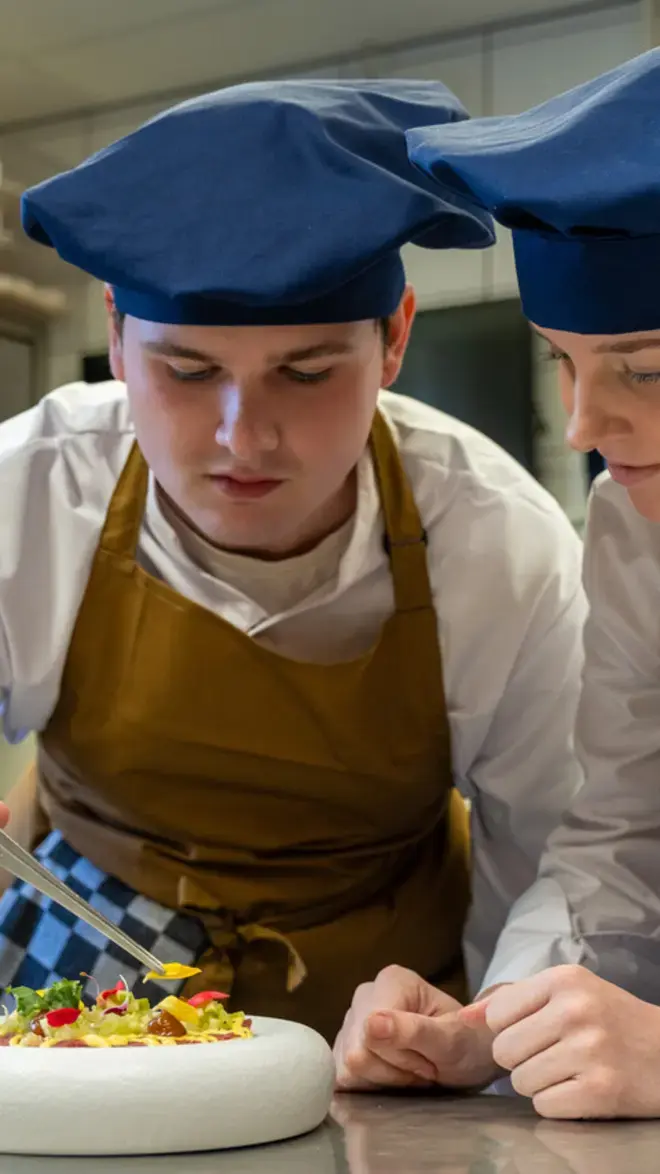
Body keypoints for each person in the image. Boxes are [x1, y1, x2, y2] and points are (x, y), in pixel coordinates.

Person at [0, 79, 585, 1055]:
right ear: (114, 332)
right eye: (187, 371)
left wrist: (491, 1034)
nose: (244, 437)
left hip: (386, 1022)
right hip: (80, 1002)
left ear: (394, 336)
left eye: (306, 372)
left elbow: (561, 857)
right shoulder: (31, 487)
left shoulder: (497, 542)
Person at [332, 49, 660, 1118]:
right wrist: (507, 1020)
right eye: (564, 362)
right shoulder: (635, 532)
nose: (582, 428)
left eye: (644, 369)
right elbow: (619, 834)